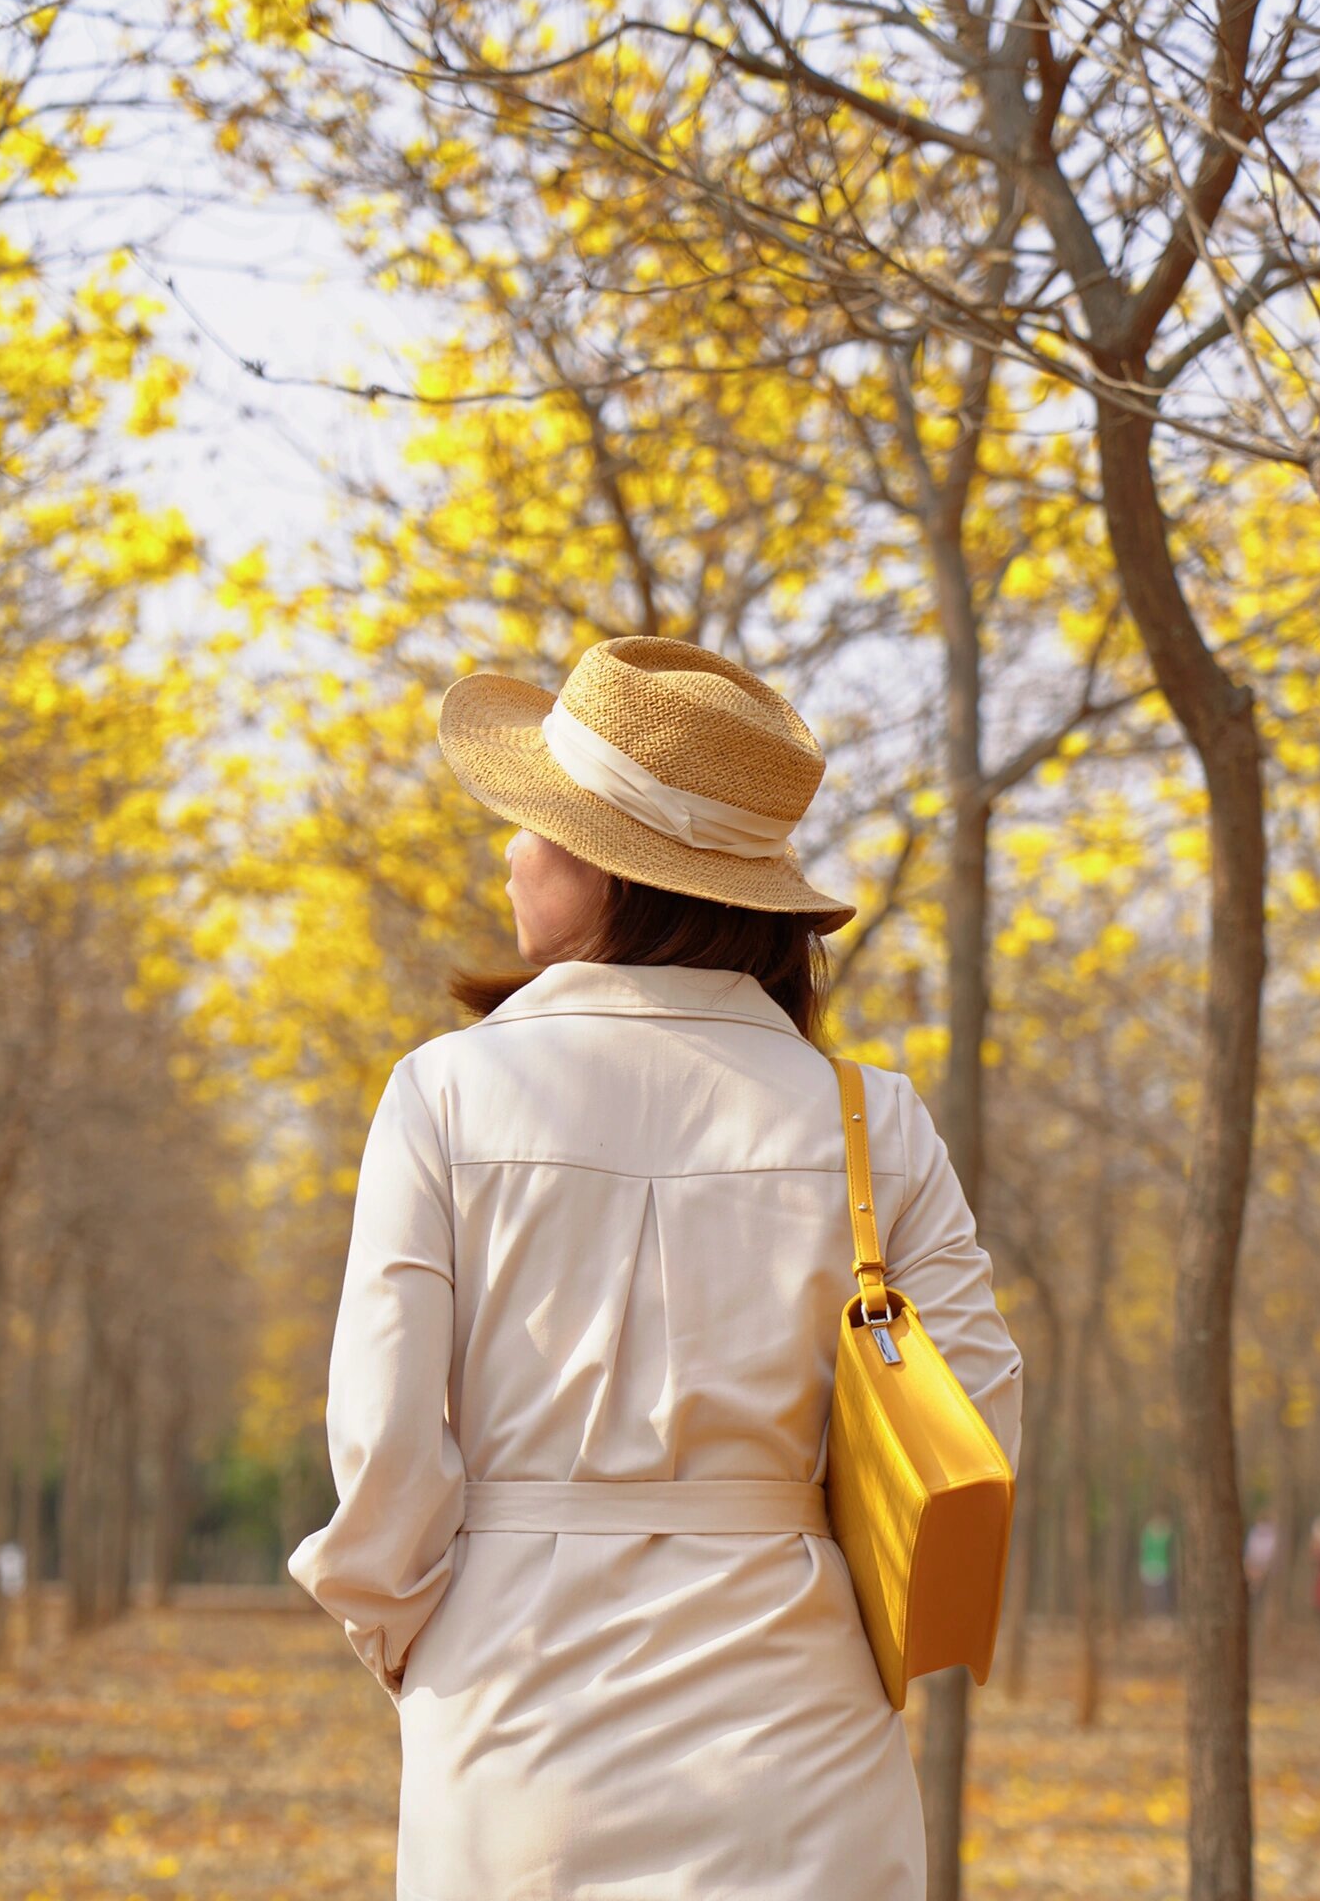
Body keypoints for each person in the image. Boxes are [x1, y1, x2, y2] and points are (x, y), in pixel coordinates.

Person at [288, 637, 1025, 1901]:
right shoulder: (870, 1120)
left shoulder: (445, 1095)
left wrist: (423, 1646)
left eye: (533, 824)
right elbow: (976, 1421)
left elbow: (387, 1444)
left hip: (514, 1745)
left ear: (606, 868)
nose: (508, 852)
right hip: (800, 1744)